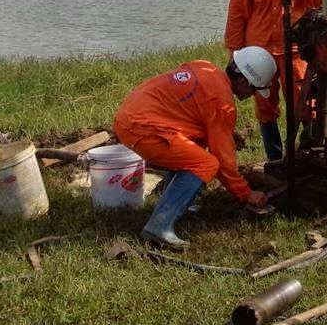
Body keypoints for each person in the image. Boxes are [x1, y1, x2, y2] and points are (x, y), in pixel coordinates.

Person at [113, 47, 278, 249]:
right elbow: (223, 162)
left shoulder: (206, 67)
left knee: (195, 147)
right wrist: (246, 193)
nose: (252, 95)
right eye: (254, 89)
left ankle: (178, 201)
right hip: (143, 128)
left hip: (131, 115)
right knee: (206, 164)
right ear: (244, 81)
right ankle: (159, 226)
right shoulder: (222, 103)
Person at [225, 0, 321, 161]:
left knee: (305, 104)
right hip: (259, 50)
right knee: (265, 107)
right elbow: (238, 11)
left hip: (295, 50)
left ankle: (306, 154)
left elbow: (315, 0)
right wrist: (235, 53)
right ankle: (276, 159)